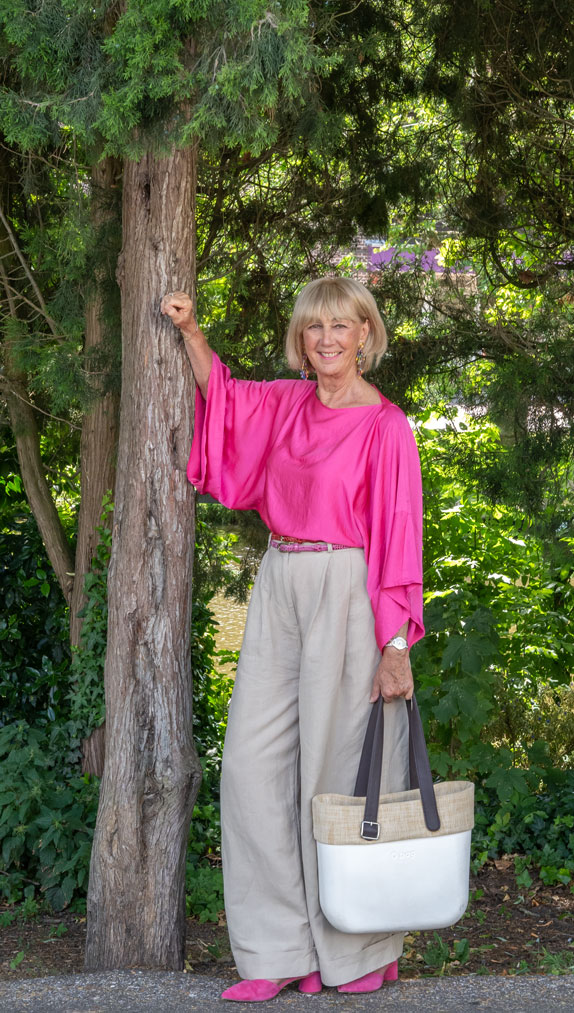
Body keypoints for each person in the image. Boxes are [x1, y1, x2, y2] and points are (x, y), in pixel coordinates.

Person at [161, 277, 424, 1001]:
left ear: (365, 335)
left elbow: (399, 536)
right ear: (301, 341)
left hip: (348, 587)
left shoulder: (385, 427)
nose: (328, 339)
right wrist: (190, 332)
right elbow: (226, 395)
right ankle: (278, 949)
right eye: (315, 328)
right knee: (251, 765)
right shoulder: (285, 404)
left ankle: (354, 949)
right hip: (280, 577)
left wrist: (395, 644)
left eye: (342, 326)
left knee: (336, 774)